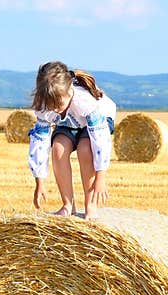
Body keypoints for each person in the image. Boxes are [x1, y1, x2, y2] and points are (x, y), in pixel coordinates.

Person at [27, 61, 116, 220]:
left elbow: (100, 140)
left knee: (85, 149)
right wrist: (39, 181)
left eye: (58, 104)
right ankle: (68, 206)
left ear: (69, 91)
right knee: (58, 148)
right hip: (69, 123)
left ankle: (90, 206)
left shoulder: (85, 101)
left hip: (97, 123)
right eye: (50, 105)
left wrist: (101, 178)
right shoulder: (44, 107)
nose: (54, 109)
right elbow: (39, 143)